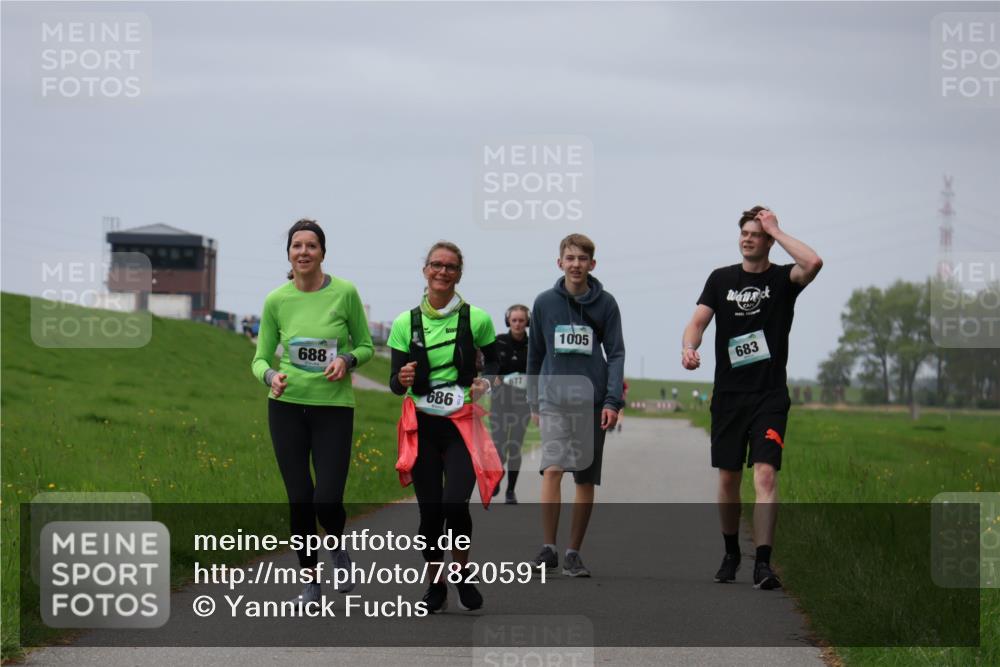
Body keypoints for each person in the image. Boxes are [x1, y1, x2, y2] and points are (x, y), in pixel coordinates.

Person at [681, 206, 822, 590]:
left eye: (756, 234)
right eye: (744, 233)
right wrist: (689, 348)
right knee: (729, 478)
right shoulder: (721, 278)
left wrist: (776, 229)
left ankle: (763, 563)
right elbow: (697, 322)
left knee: (765, 473)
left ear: (768, 241)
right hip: (729, 395)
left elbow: (813, 262)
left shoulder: (783, 279)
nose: (748, 239)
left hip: (769, 396)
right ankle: (731, 552)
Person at [251, 218, 374, 607]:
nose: (303, 252)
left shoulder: (345, 293)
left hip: (333, 409)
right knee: (300, 499)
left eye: (311, 245)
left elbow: (366, 345)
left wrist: (347, 360)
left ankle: (337, 547)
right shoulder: (276, 300)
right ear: (289, 253)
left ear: (322, 252)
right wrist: (271, 376)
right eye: (297, 245)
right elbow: (259, 358)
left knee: (327, 499)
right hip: (286, 408)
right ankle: (310, 583)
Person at [389, 241, 503, 613]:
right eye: (436, 265)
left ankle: (462, 573)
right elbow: (395, 383)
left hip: (460, 427)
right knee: (430, 513)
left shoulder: (477, 319)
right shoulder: (405, 323)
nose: (442, 271)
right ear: (425, 270)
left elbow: (496, 364)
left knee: (454, 505)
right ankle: (436, 584)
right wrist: (403, 378)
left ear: (459, 274)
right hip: (421, 426)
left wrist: (486, 382)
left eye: (450, 267)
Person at [528, 233, 625, 577]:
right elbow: (535, 353)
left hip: (592, 402)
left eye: (582, 259)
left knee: (584, 478)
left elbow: (615, 353)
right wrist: (533, 400)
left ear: (592, 264)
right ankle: (548, 548)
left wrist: (612, 400)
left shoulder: (606, 304)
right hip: (553, 400)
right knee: (553, 469)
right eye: (570, 258)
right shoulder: (544, 303)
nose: (576, 265)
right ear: (560, 263)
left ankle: (573, 553)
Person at [490, 304, 532, 505]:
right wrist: (493, 377)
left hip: (522, 402)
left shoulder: (533, 345)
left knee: (514, 447)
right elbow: (487, 365)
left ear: (527, 322)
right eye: (514, 320)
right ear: (508, 321)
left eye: (521, 320)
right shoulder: (498, 341)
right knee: (499, 447)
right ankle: (497, 477)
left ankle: (511, 491)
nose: (517, 324)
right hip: (500, 401)